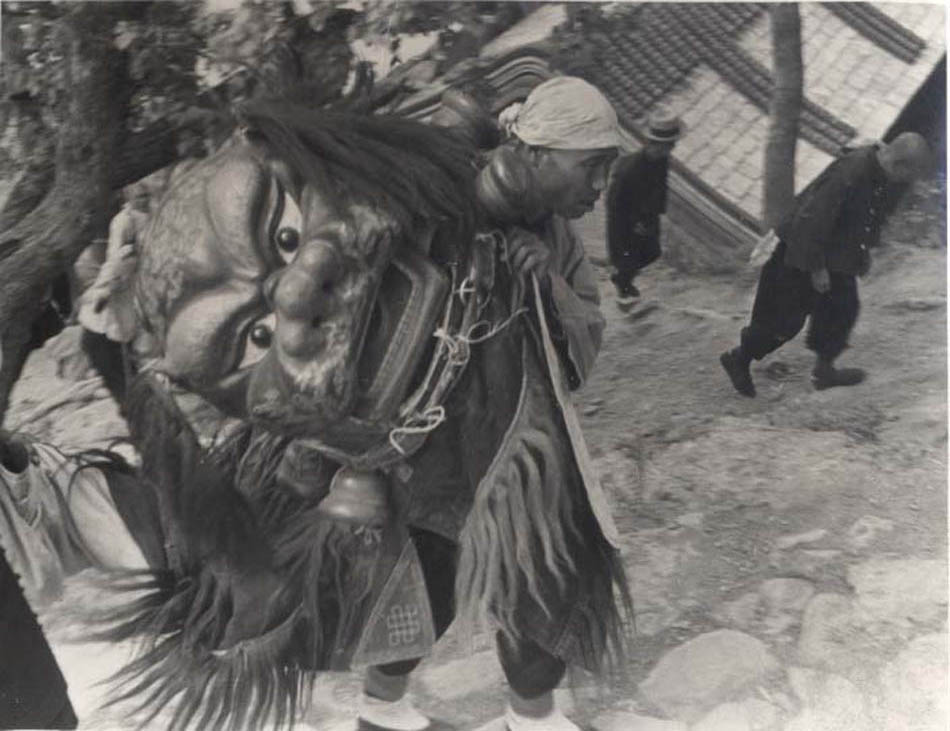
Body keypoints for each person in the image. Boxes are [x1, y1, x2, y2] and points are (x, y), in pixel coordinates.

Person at [358, 76, 620, 731]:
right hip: (442, 432)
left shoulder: (555, 235)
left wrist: (549, 282)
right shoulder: (447, 201)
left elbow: (588, 326)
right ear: (533, 155)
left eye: (607, 169)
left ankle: (531, 713)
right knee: (430, 567)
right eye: (591, 167)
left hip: (521, 438)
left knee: (539, 563)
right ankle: (381, 708)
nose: (600, 186)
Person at [720, 132, 931, 397]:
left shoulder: (877, 171)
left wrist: (861, 253)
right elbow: (813, 219)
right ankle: (738, 358)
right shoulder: (852, 171)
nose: (904, 183)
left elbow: (864, 216)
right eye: (906, 176)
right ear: (899, 164)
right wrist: (816, 269)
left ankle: (824, 371)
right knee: (781, 323)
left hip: (834, 257)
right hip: (799, 252)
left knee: (843, 307)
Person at [77, 185, 150, 405]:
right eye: (140, 195)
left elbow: (117, 261)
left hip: (120, 291)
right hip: (129, 292)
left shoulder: (125, 221)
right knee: (119, 356)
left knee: (99, 347)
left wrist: (100, 290)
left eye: (145, 195)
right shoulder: (145, 218)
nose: (144, 198)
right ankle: (136, 401)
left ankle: (132, 405)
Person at [605, 111, 681, 304]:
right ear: (655, 144)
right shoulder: (629, 169)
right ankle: (623, 289)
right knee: (626, 257)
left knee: (651, 252)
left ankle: (623, 279)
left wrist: (655, 212)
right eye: (668, 145)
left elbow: (661, 186)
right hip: (623, 218)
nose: (671, 148)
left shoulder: (662, 161)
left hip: (647, 214)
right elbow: (614, 204)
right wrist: (633, 223)